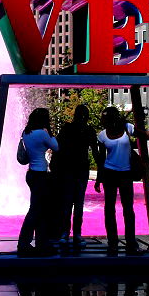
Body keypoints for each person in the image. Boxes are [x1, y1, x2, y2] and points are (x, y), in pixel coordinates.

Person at [94, 107, 149, 256]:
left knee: (128, 210)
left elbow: (145, 136)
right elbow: (101, 159)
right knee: (109, 209)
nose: (103, 120)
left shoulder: (127, 128)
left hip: (126, 174)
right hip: (109, 174)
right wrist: (99, 179)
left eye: (105, 117)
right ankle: (113, 244)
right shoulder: (102, 136)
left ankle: (131, 244)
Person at [17, 108, 59, 257]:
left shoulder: (26, 133)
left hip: (31, 173)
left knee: (39, 209)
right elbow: (56, 146)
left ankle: (41, 243)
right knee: (36, 210)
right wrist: (50, 132)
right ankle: (24, 243)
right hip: (41, 174)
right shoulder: (42, 133)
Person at [54, 105, 97, 251]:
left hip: (72, 169)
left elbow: (57, 147)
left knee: (69, 202)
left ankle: (67, 234)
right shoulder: (84, 130)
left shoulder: (69, 128)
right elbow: (95, 152)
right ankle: (74, 234)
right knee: (76, 203)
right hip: (76, 169)